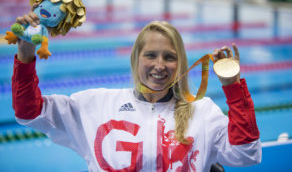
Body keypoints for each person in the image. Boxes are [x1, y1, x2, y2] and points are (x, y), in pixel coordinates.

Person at [12, 9, 261, 171]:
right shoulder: (95, 104)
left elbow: (246, 153)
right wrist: (25, 56)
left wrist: (233, 86)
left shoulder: (203, 112)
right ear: (136, 59)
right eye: (151, 55)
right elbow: (29, 112)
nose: (160, 66)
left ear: (181, 64)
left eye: (169, 57)